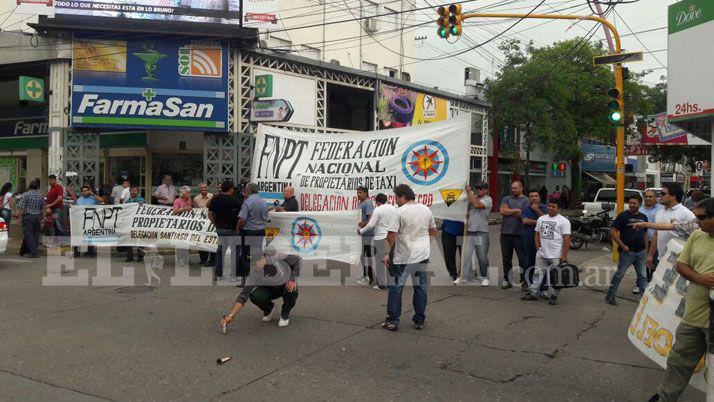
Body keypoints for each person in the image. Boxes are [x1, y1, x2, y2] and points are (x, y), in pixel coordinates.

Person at [649, 198, 714, 401]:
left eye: (702, 217)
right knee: (678, 360)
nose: (697, 221)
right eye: (696, 216)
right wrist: (699, 278)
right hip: (693, 315)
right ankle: (664, 397)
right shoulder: (697, 236)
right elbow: (681, 266)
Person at [381, 184, 437, 331]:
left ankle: (393, 320)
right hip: (422, 256)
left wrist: (390, 253)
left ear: (403, 196)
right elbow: (433, 230)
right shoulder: (426, 209)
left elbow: (391, 234)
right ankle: (419, 320)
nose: (395, 201)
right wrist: (424, 244)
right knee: (420, 288)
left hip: (403, 257)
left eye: (396, 198)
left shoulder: (400, 212)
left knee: (396, 288)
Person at [220, 247, 301, 329]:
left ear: (263, 258)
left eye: (255, 263)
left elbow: (297, 259)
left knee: (292, 290)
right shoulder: (254, 272)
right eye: (251, 264)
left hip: (284, 286)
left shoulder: (277, 258)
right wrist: (230, 316)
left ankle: (285, 315)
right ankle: (269, 309)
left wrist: (292, 279)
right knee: (255, 296)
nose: (254, 266)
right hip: (269, 289)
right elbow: (243, 296)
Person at [521, 199, 571, 305]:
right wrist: (538, 247)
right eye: (550, 206)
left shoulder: (564, 221)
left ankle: (553, 296)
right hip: (542, 253)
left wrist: (564, 255)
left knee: (555, 277)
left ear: (559, 209)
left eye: (554, 207)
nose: (551, 208)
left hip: (556, 255)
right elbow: (537, 234)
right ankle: (534, 293)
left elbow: (566, 238)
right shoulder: (541, 219)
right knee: (537, 273)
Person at [604, 195, 649, 305]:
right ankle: (610, 296)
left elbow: (645, 235)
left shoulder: (643, 217)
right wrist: (623, 246)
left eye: (634, 203)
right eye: (630, 203)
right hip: (627, 253)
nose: (632, 205)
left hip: (641, 252)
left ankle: (644, 301)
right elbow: (613, 232)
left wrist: (646, 251)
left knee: (643, 277)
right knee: (619, 275)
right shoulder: (622, 216)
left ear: (640, 204)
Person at [647, 183, 696, 265]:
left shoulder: (686, 213)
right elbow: (656, 234)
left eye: (663, 194)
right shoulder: (659, 212)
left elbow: (696, 235)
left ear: (673, 196)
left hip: (679, 259)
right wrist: (651, 255)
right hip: (660, 257)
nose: (660, 196)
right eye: (659, 194)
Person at [358, 193, 396, 290]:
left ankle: (382, 284)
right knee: (390, 260)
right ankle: (391, 283)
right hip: (391, 237)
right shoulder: (393, 208)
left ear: (377, 201)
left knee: (380, 261)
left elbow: (371, 225)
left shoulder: (378, 210)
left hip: (380, 238)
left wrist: (361, 231)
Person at [457, 182, 492, 286]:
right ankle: (464, 276)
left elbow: (477, 205)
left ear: (486, 190)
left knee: (481, 256)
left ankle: (484, 277)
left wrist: (469, 192)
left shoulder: (488, 199)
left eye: (481, 188)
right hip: (469, 231)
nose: (478, 190)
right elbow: (465, 208)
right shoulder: (471, 198)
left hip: (481, 231)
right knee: (466, 255)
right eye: (477, 188)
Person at [209, 181, 243, 280]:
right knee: (235, 252)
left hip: (220, 228)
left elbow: (210, 213)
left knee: (220, 251)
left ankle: (218, 274)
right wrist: (237, 229)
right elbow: (241, 217)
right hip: (232, 229)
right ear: (231, 189)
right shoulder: (236, 201)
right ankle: (233, 275)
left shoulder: (216, 199)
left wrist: (216, 224)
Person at [237, 182, 269, 286]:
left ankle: (245, 279)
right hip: (260, 231)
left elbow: (242, 219)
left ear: (249, 191)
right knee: (258, 253)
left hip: (249, 231)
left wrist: (238, 229)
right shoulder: (263, 202)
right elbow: (266, 218)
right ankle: (259, 277)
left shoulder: (247, 202)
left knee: (246, 255)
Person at [499, 180, 530, 290]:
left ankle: (524, 281)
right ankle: (507, 280)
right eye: (512, 188)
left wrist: (510, 211)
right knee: (506, 258)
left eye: (515, 188)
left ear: (521, 188)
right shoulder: (506, 198)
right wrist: (516, 210)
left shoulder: (526, 200)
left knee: (523, 260)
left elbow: (522, 215)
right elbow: (502, 211)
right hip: (505, 234)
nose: (513, 190)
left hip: (519, 234)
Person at [638, 189, 664, 292]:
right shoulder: (640, 209)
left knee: (655, 264)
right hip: (643, 242)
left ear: (656, 198)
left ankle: (655, 285)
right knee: (642, 264)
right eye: (646, 197)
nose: (648, 198)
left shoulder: (662, 210)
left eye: (650, 196)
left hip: (657, 242)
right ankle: (641, 284)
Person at [522, 190, 547, 280]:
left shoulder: (545, 207)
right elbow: (525, 221)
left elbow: (547, 221)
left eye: (536, 196)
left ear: (539, 197)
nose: (534, 198)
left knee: (543, 262)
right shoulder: (525, 208)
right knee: (529, 261)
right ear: (529, 198)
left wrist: (536, 210)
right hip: (528, 238)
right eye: (531, 196)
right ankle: (529, 282)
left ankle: (542, 283)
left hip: (543, 239)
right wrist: (539, 222)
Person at [16, 181, 43, 258]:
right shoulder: (40, 195)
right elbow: (43, 209)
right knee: (35, 235)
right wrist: (42, 218)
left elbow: (22, 208)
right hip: (37, 217)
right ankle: (35, 250)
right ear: (37, 187)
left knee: (28, 234)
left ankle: (33, 252)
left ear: (29, 187)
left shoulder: (25, 195)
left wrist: (19, 218)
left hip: (28, 217)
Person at [356, 186, 375, 286]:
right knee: (362, 255)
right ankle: (365, 275)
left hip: (367, 233)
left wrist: (362, 225)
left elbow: (371, 219)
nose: (358, 194)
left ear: (366, 193)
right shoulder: (360, 203)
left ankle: (369, 277)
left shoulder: (368, 203)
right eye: (357, 192)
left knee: (366, 255)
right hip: (361, 233)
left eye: (360, 193)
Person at [73, 185, 98, 258]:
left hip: (90, 220)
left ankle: (90, 252)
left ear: (89, 191)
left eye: (86, 190)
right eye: (83, 191)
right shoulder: (79, 200)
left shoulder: (93, 198)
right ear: (81, 192)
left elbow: (102, 200)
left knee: (89, 236)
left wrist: (93, 194)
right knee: (78, 236)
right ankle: (76, 253)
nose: (85, 192)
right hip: (80, 220)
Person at [193, 183, 215, 267]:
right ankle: (203, 259)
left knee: (211, 241)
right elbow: (195, 210)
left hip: (211, 222)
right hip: (201, 224)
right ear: (199, 189)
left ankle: (212, 260)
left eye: (205, 187)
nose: (203, 189)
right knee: (201, 241)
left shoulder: (212, 196)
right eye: (202, 188)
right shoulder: (196, 198)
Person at [123, 186, 146, 262]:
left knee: (139, 240)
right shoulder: (127, 201)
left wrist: (142, 205)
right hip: (129, 222)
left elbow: (145, 209)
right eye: (132, 190)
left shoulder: (141, 200)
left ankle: (140, 257)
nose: (133, 192)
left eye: (134, 190)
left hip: (138, 222)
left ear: (137, 192)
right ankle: (129, 257)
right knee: (128, 239)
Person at [173, 186, 194, 266]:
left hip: (188, 224)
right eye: (188, 193)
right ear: (183, 193)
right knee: (180, 243)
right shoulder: (177, 201)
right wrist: (183, 209)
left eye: (189, 192)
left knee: (187, 243)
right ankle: (180, 259)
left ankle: (186, 258)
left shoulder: (189, 200)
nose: (189, 194)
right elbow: (175, 212)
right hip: (179, 225)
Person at [46, 174, 66, 246]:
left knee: (60, 226)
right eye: (49, 180)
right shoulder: (51, 188)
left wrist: (51, 205)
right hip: (53, 210)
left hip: (58, 209)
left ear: (55, 180)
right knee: (55, 226)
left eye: (51, 180)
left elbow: (60, 197)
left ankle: (64, 242)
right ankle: (56, 242)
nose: (50, 182)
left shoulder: (59, 187)